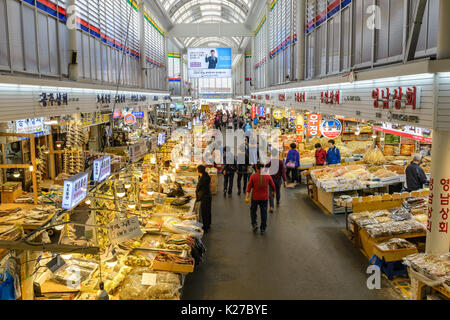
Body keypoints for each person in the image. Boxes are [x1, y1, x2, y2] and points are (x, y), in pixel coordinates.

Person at [246, 163, 276, 235]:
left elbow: (249, 188)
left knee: (253, 211)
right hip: (264, 198)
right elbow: (273, 185)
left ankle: (254, 224)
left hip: (255, 197)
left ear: (256, 168)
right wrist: (274, 192)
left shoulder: (253, 176)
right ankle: (263, 228)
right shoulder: (267, 176)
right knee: (264, 213)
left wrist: (247, 196)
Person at [265, 148, 287, 212]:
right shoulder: (280, 162)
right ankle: (277, 201)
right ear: (277, 154)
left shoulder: (270, 161)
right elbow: (283, 172)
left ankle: (271, 206)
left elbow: (266, 168)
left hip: (271, 179)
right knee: (278, 191)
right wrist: (285, 180)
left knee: (271, 192)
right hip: (278, 180)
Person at [196, 165, 212, 233]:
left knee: (204, 212)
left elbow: (198, 188)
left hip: (204, 197)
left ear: (199, 171)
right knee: (208, 211)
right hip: (208, 195)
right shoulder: (206, 176)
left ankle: (205, 228)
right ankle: (208, 224)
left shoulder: (203, 179)